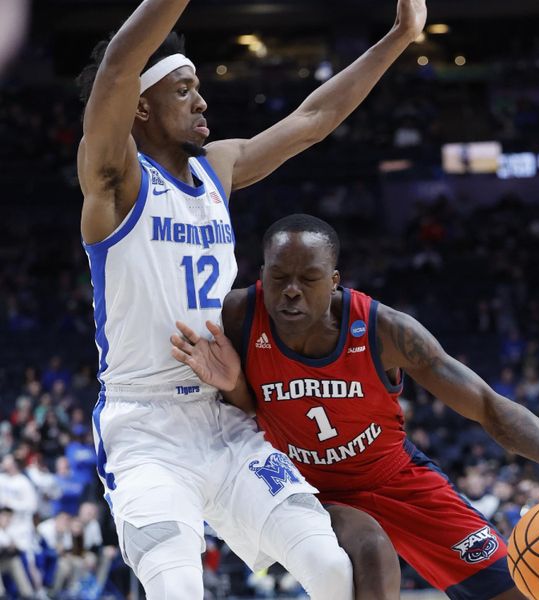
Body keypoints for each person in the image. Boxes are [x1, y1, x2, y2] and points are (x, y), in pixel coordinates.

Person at [76, 0, 427, 597]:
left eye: (198, 88)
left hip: (228, 412)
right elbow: (116, 67)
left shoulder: (218, 167)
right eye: (183, 90)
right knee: (177, 586)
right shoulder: (116, 180)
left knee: (333, 569)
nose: (202, 100)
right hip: (145, 426)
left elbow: (314, 118)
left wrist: (399, 36)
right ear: (140, 105)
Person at [171, 214, 539, 600]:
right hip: (304, 487)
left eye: (308, 279)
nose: (291, 290)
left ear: (334, 281)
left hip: (395, 478)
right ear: (262, 277)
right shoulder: (238, 316)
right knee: (372, 550)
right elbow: (244, 406)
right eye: (279, 278)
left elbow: (485, 405)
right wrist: (232, 387)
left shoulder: (385, 331)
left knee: (513, 592)